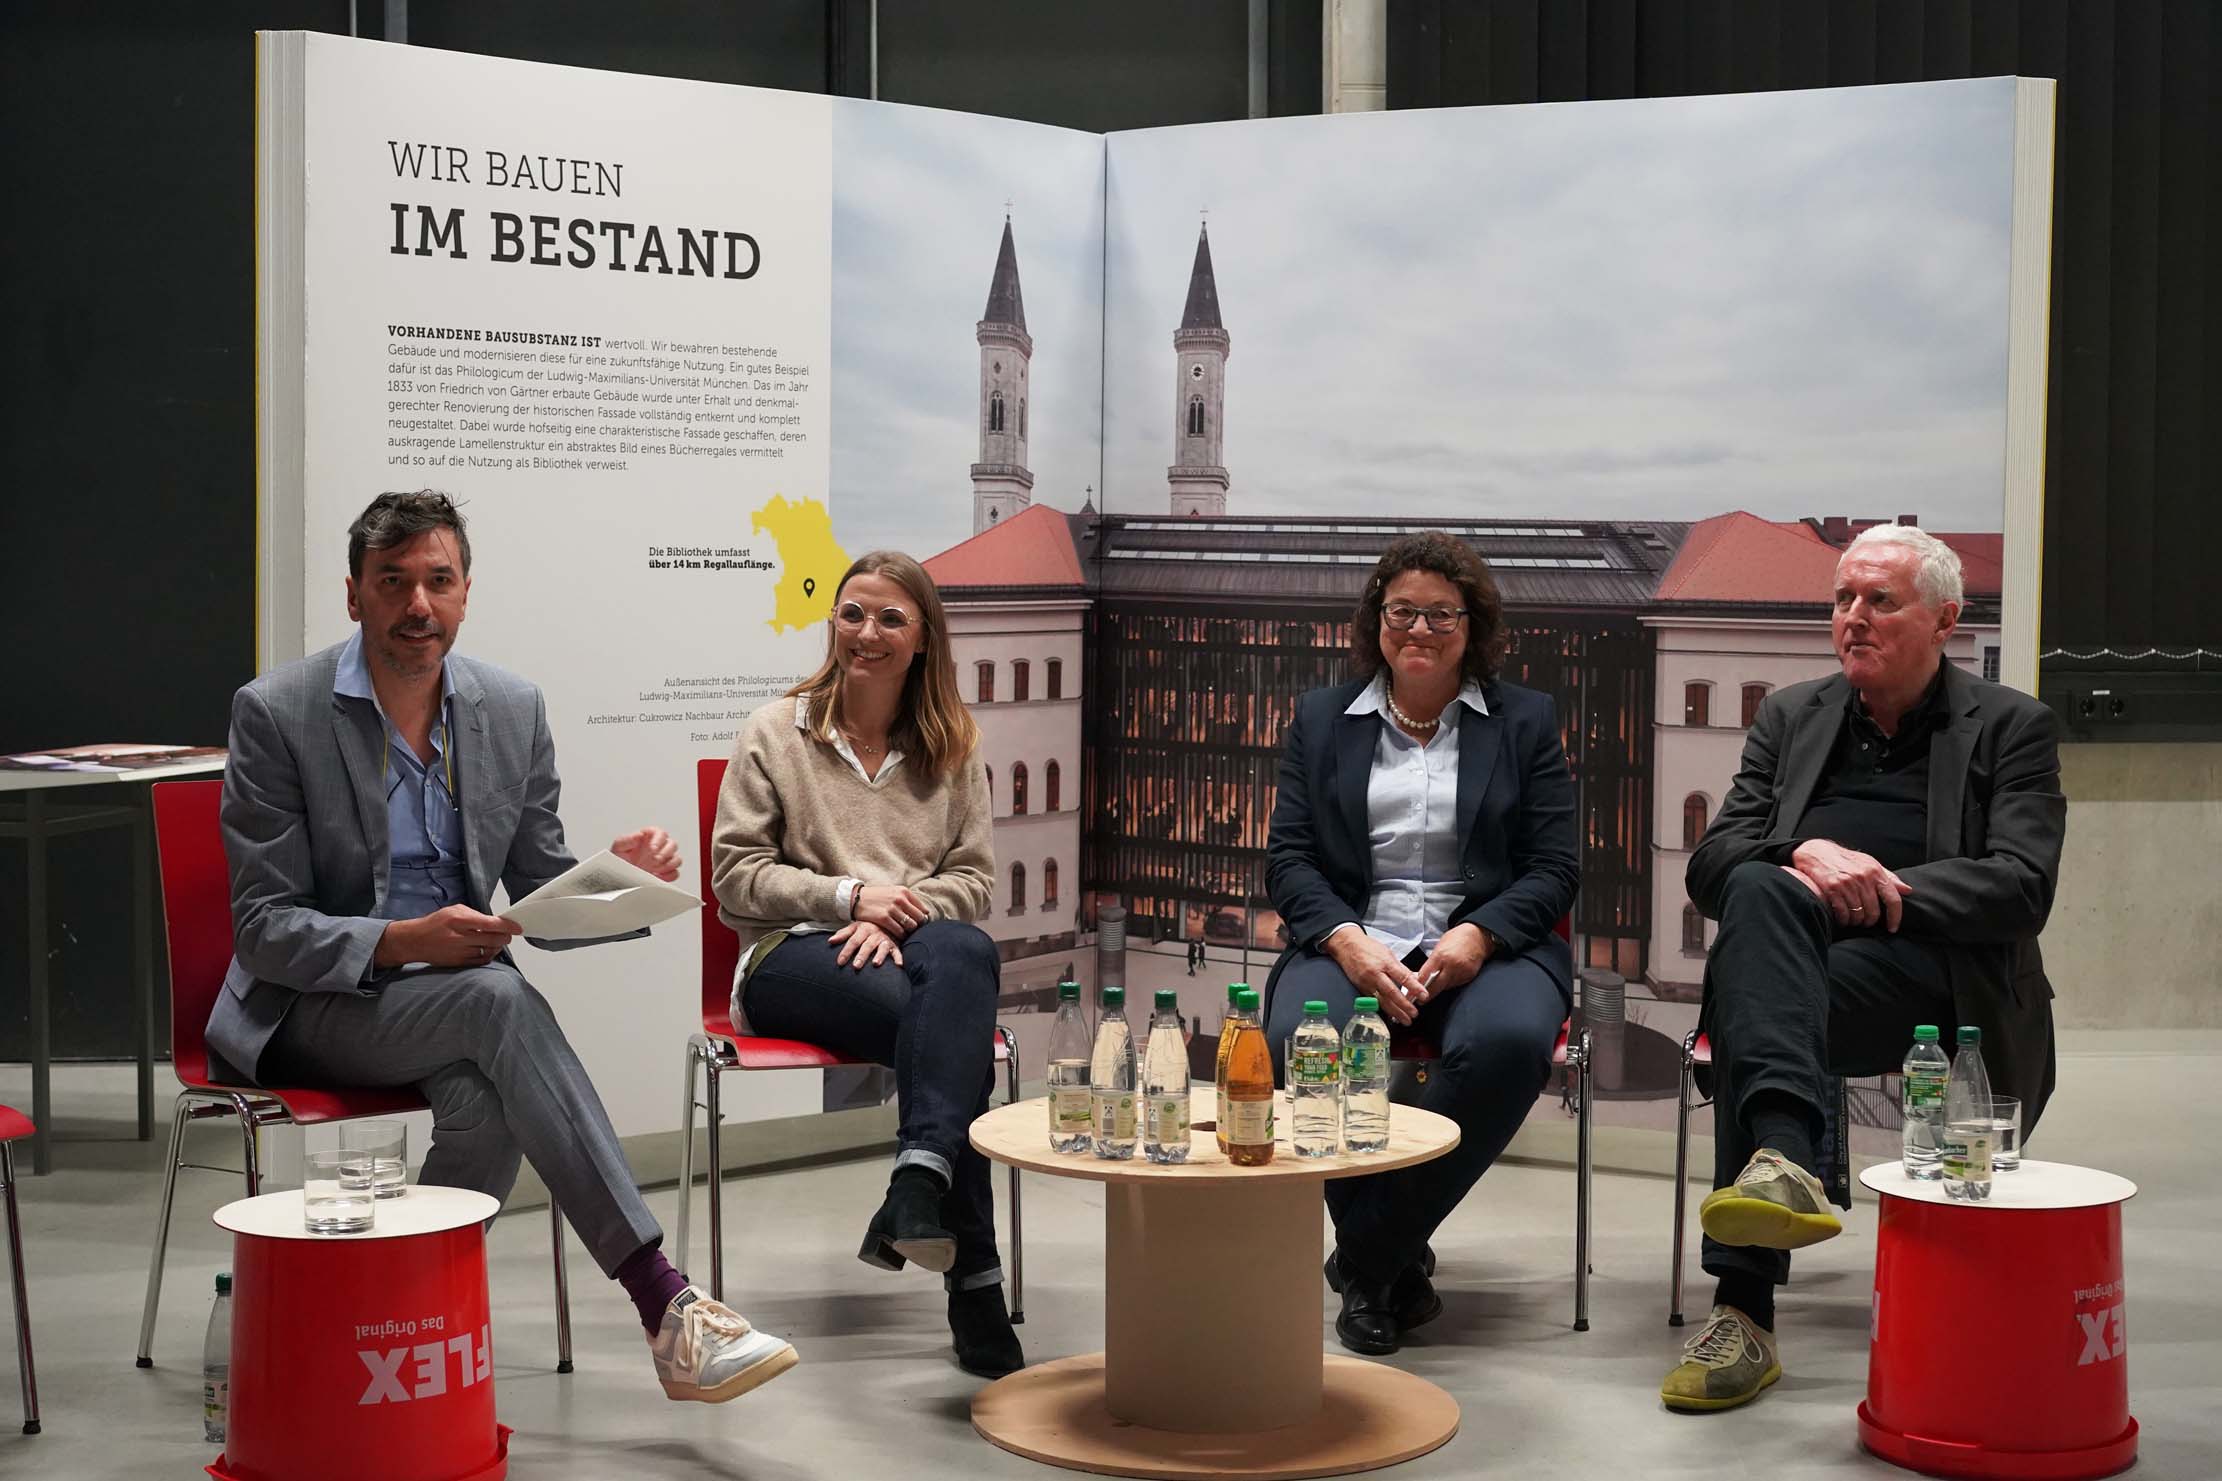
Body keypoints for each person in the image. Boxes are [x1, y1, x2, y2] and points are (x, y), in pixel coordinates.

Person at [212, 490, 794, 1404]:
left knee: (485, 1095)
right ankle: (664, 1302)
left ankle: (383, 1330)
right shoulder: (277, 713)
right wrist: (408, 939)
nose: (418, 606)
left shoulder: (511, 709)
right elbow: (264, 928)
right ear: (354, 595)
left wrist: (615, 877)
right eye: (393, 582)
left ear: (466, 592)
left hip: (453, 1008)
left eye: (438, 582)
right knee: (497, 999)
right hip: (313, 1005)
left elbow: (540, 889)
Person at [1662, 522, 2065, 1413]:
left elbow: (2020, 885)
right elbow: (1713, 859)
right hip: (1810, 974)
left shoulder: (2012, 726)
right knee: (1764, 900)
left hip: (1939, 981)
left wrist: (1878, 889)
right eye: (1843, 599)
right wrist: (1807, 851)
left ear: (1945, 620)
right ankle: (1777, 1188)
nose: (1853, 617)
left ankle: (1750, 1278)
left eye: (1880, 600)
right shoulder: (1792, 715)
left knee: (1751, 985)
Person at [1264, 532, 1579, 1356]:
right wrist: (1346, 940)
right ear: (1377, 619)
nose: (1421, 628)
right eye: (1403, 610)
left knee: (1508, 1043)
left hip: (1493, 946)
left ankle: (1368, 1256)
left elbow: (1556, 867)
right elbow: (1290, 859)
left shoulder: (1525, 721)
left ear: (1473, 627)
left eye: (1443, 613)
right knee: (1307, 1037)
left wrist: (1479, 933)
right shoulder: (1322, 719)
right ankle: (1391, 1267)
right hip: (1351, 942)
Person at [711, 551, 1018, 1377]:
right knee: (953, 1040)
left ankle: (918, 1186)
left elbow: (974, 881)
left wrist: (899, 913)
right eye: (852, 614)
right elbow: (735, 878)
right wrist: (851, 899)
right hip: (789, 958)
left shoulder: (953, 745)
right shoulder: (776, 730)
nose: (867, 633)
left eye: (890, 619)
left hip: (915, 954)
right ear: (833, 624)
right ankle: (975, 1287)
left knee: (962, 956)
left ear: (923, 640)